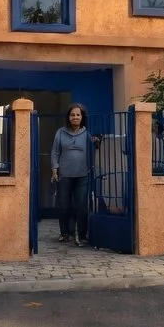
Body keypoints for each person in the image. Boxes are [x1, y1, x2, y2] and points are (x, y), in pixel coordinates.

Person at [51, 103, 101, 246]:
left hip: (82, 175)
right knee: (63, 206)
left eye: (78, 115)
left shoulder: (87, 134)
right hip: (64, 175)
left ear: (82, 117)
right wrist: (54, 169)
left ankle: (83, 236)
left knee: (82, 207)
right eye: (72, 115)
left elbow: (94, 148)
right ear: (68, 117)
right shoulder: (60, 133)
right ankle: (64, 233)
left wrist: (96, 142)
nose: (75, 117)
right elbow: (55, 152)